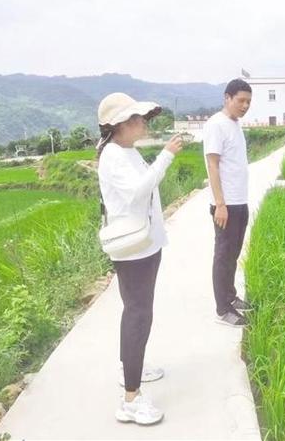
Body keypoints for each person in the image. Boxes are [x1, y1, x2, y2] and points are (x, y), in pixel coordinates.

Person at [96, 92, 184, 425]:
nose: (143, 122)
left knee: (139, 313)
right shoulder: (114, 157)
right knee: (138, 315)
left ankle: (131, 366)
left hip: (146, 245)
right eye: (136, 118)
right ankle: (130, 400)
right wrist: (165, 156)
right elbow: (137, 192)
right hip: (134, 251)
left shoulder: (125, 151)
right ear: (119, 124)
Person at [203, 79, 253, 327]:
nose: (245, 106)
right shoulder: (216, 125)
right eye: (240, 100)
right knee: (223, 255)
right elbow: (212, 164)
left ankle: (231, 297)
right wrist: (220, 204)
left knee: (232, 253)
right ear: (227, 98)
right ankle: (223, 309)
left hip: (239, 201)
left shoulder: (235, 125)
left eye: (248, 102)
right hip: (225, 204)